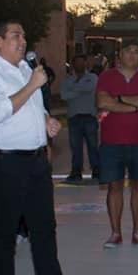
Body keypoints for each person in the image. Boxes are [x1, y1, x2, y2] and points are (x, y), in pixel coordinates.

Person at [0, 20, 92, 275]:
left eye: (24, 35)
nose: (22, 41)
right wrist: (33, 85)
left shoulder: (26, 70)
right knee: (5, 235)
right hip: (6, 163)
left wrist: (47, 122)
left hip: (36, 162)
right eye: (15, 35)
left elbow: (33, 108)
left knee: (44, 232)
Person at [96, 41, 138, 248]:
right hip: (111, 142)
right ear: (120, 55)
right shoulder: (106, 77)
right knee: (114, 187)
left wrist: (119, 99)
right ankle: (115, 233)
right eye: (128, 51)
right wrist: (134, 107)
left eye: (136, 51)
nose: (132, 55)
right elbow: (103, 102)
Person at [61, 54, 100, 184]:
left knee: (93, 146)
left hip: (90, 116)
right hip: (74, 118)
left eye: (81, 62)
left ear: (86, 64)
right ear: (72, 65)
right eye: (76, 62)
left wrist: (74, 89)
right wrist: (81, 89)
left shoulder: (93, 78)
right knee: (75, 147)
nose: (79, 65)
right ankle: (76, 172)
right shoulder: (67, 80)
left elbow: (90, 88)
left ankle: (97, 171)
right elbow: (64, 95)